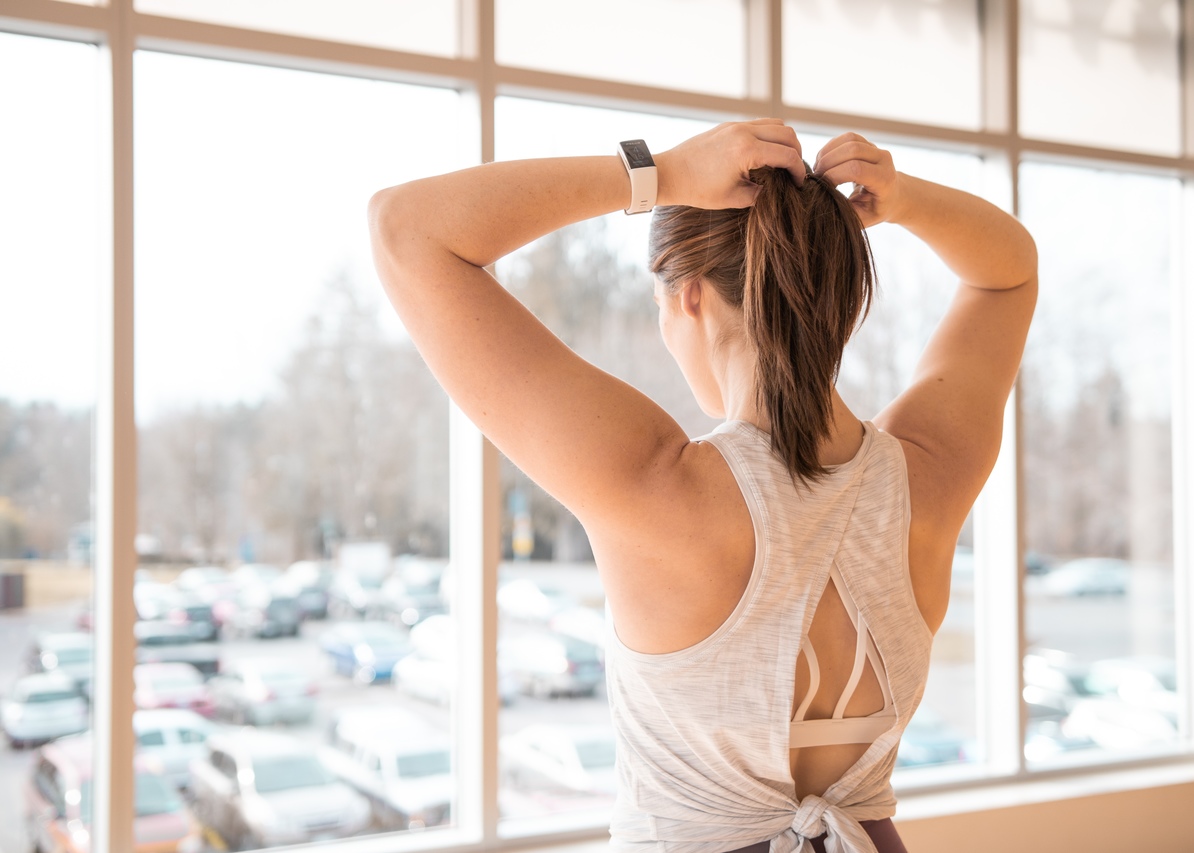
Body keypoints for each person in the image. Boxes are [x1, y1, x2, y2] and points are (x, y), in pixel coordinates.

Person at [368, 119, 1037, 853]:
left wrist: (662, 174)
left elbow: (407, 228)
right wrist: (900, 198)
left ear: (688, 298)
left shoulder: (654, 485)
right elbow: (1008, 271)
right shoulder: (929, 473)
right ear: (841, 299)